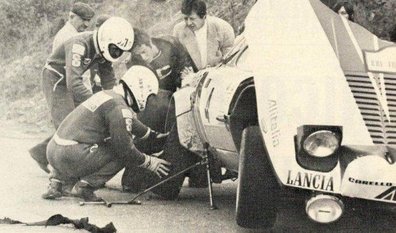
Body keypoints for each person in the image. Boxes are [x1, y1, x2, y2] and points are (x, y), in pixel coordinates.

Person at [42, 65, 171, 202]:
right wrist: (149, 162)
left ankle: (57, 183)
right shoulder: (120, 108)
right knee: (121, 151)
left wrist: (152, 135)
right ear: (141, 90)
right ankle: (86, 186)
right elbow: (125, 149)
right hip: (70, 154)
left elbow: (131, 122)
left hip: (53, 150)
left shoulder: (107, 95)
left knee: (91, 141)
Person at [29, 17, 135, 174]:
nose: (116, 53)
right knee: (67, 121)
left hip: (71, 80)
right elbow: (74, 83)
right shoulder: (79, 45)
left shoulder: (103, 49)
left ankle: (40, 153)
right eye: (114, 49)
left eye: (119, 51)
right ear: (107, 39)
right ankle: (60, 176)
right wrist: (100, 102)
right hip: (56, 78)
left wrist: (117, 102)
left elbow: (108, 80)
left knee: (82, 120)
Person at [126, 28, 197, 92]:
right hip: (163, 99)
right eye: (138, 55)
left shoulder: (170, 43)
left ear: (149, 42)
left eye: (143, 52)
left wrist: (184, 77)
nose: (143, 57)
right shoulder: (134, 64)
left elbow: (185, 63)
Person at [173, 0, 235, 70]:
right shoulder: (179, 30)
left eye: (192, 19)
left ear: (204, 16)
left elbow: (231, 57)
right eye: (186, 19)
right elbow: (177, 59)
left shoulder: (223, 27)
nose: (189, 23)